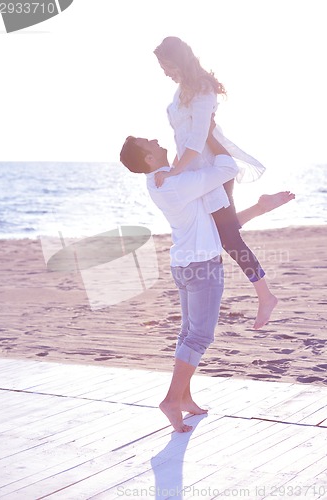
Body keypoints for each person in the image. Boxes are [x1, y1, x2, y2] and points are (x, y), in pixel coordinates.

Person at [119, 136, 289, 433]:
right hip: (201, 266)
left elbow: (219, 226)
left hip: (185, 264)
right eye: (150, 143)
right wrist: (208, 134)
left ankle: (184, 398)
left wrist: (261, 208)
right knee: (199, 338)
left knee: (188, 334)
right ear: (147, 159)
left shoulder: (164, 181)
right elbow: (226, 167)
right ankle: (171, 400)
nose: (157, 140)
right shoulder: (174, 183)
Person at [153, 36, 295, 330]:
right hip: (195, 173)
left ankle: (266, 296)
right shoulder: (184, 90)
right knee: (222, 231)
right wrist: (176, 170)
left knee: (229, 239)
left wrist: (174, 173)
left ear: (179, 60)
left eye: (167, 65)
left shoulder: (203, 90)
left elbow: (197, 140)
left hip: (210, 169)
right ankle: (260, 208)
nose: (165, 72)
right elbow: (183, 141)